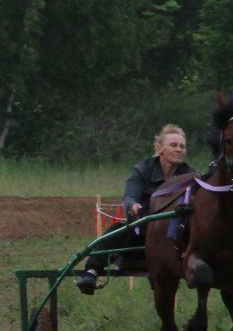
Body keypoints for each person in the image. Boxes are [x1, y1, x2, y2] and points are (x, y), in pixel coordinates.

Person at [75, 123, 195, 294]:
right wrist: (133, 205)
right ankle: (91, 272)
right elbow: (129, 196)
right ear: (160, 148)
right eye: (173, 145)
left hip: (174, 238)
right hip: (142, 234)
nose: (179, 150)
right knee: (117, 230)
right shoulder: (143, 169)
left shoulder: (190, 175)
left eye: (182, 146)